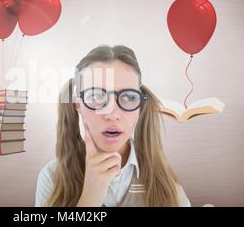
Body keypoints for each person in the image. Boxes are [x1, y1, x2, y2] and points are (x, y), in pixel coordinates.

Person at [35, 45, 191, 207]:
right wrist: (90, 197)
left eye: (129, 97)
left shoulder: (164, 182)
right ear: (78, 104)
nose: (112, 114)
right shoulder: (52, 177)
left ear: (140, 107)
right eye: (96, 95)